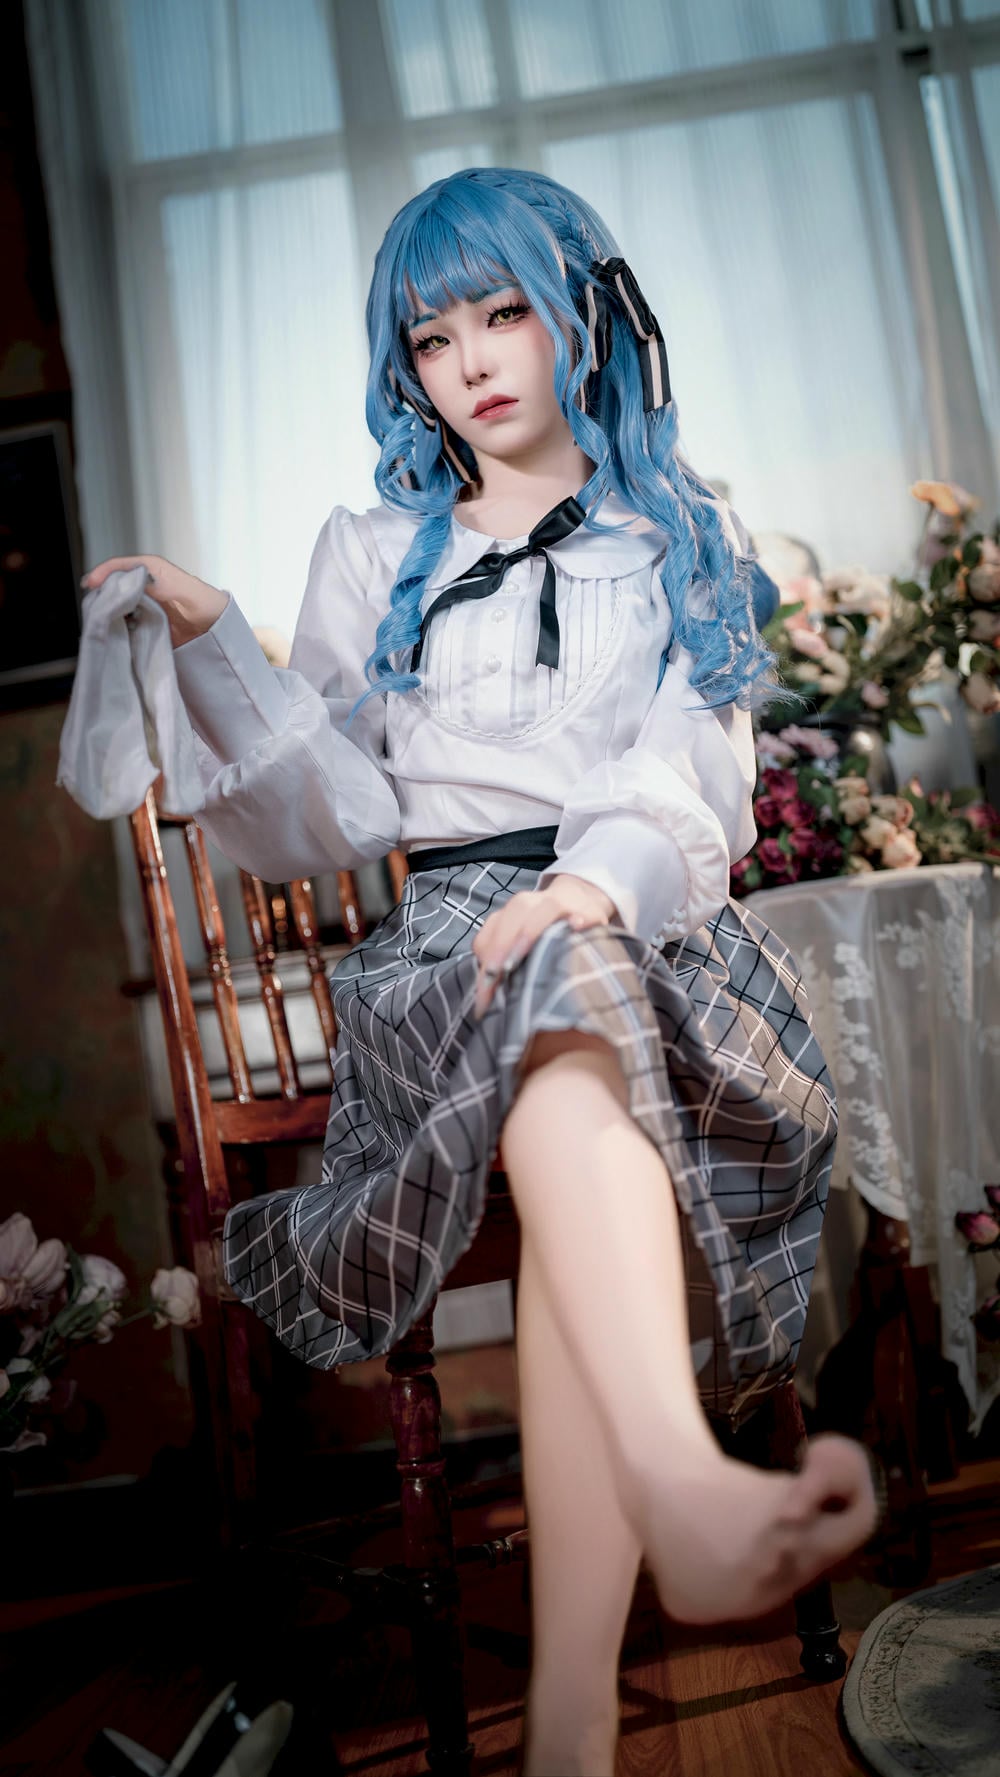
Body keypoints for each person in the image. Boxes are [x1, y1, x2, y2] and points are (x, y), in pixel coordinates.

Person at [82, 167, 877, 1777]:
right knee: (552, 1015)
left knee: (577, 1019)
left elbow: (695, 765)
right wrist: (218, 632)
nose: (472, 360)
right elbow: (329, 813)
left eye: (504, 311)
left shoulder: (674, 533)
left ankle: (569, 1734)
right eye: (432, 336)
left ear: (582, 312)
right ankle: (682, 1485)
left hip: (637, 925)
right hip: (447, 959)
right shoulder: (376, 549)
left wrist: (588, 883)